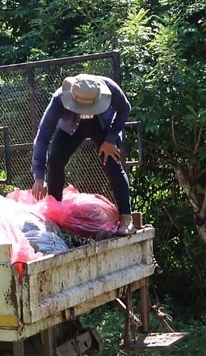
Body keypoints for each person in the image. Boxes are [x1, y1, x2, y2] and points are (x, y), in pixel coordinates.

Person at [31, 73, 136, 236]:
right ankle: (55, 218)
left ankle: (126, 219)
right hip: (71, 127)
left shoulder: (110, 88)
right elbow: (43, 135)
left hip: (103, 126)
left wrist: (110, 138)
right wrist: (39, 176)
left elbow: (125, 108)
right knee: (55, 161)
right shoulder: (59, 98)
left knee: (113, 164)